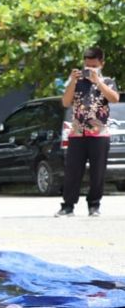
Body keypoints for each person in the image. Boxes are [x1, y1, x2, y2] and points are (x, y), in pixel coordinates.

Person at [56, 47, 119, 217]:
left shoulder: (108, 81)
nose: (89, 68)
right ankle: (68, 206)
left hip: (99, 134)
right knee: (72, 171)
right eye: (87, 65)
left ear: (101, 64)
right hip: (77, 133)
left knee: (98, 172)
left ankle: (94, 205)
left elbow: (114, 98)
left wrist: (98, 81)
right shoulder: (78, 81)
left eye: (93, 65)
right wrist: (72, 81)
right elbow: (65, 102)